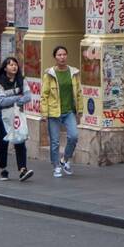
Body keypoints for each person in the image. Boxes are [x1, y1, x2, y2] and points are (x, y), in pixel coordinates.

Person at [39, 45, 81, 178]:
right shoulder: (49, 74)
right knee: (55, 141)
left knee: (73, 136)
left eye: (64, 54)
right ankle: (56, 165)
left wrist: (80, 109)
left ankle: (65, 160)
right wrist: (44, 113)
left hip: (69, 111)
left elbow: (78, 93)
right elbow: (44, 95)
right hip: (54, 112)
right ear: (55, 57)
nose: (62, 57)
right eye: (59, 55)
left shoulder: (73, 73)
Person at [0, 56, 33, 182]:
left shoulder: (21, 80)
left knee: (20, 140)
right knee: (3, 143)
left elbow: (28, 96)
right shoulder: (0, 83)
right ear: (5, 68)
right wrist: (17, 98)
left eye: (15, 64)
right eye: (10, 65)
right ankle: (3, 169)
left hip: (16, 115)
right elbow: (1, 101)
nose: (14, 66)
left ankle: (23, 170)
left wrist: (17, 100)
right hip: (2, 117)